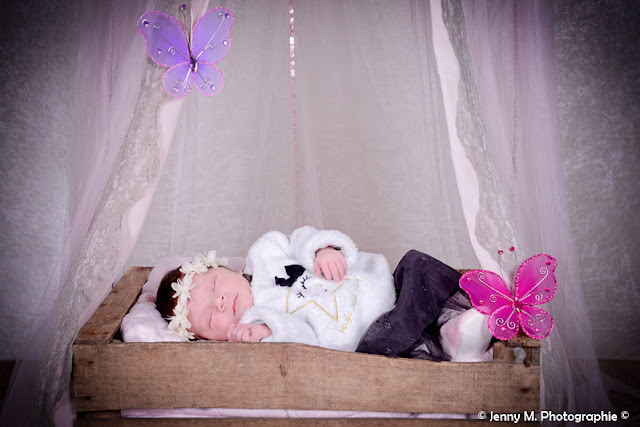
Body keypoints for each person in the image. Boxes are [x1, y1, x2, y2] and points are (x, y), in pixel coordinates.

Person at [156, 226, 468, 359]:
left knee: (416, 264)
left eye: (214, 287)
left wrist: (322, 248)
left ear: (226, 269)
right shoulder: (258, 324)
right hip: (373, 333)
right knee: (398, 344)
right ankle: (457, 336)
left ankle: (459, 315)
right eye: (211, 318)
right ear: (216, 340)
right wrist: (265, 332)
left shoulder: (264, 253)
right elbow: (302, 345)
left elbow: (301, 237)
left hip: (383, 288)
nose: (221, 302)